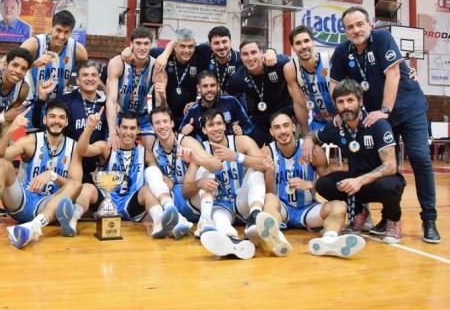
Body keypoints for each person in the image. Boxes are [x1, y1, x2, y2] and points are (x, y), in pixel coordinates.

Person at [330, 6, 440, 243]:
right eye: (350, 27)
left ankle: (429, 220)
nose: (356, 30)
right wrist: (339, 111)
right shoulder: (341, 51)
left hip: (408, 110)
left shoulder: (382, 38)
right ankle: (388, 217)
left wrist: (385, 110)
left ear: (370, 24)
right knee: (384, 166)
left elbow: (394, 74)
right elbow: (334, 84)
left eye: (360, 24)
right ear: (345, 31)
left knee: (420, 159)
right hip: (377, 116)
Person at [0, 101, 83, 248]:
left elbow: (76, 186)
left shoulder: (74, 147)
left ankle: (33, 227)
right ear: (45, 120)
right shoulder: (30, 141)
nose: (57, 121)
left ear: (67, 122)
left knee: (76, 184)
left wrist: (52, 176)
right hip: (21, 200)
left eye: (61, 117)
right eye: (52, 116)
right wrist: (11, 130)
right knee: (2, 163)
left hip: (47, 205)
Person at [303, 79, 406, 244]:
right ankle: (359, 212)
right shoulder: (336, 126)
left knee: (390, 186)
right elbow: (313, 135)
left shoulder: (377, 124)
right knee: (324, 184)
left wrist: (359, 181)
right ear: (335, 105)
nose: (346, 106)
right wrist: (308, 140)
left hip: (379, 180)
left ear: (360, 101)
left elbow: (391, 166)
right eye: (341, 102)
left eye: (350, 100)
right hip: (355, 182)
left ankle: (393, 219)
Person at [262, 112, 365, 258]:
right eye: (277, 127)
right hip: (282, 209)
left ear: (293, 127)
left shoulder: (313, 150)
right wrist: (269, 172)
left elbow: (329, 182)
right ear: (271, 132)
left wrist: (310, 184)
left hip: (307, 209)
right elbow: (267, 192)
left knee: (340, 206)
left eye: (286, 125)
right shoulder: (267, 153)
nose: (283, 131)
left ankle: (329, 240)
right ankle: (276, 238)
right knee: (269, 198)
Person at [191, 108, 286, 259]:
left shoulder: (241, 141)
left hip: (242, 202)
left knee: (255, 172)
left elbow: (265, 165)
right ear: (203, 129)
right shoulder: (201, 149)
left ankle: (255, 216)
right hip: (220, 205)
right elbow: (186, 189)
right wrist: (198, 183)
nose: (216, 128)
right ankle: (234, 241)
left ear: (225, 126)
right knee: (220, 220)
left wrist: (236, 156)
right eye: (211, 125)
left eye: (219, 123)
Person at [72, 111, 180, 238]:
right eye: (125, 127)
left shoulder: (146, 153)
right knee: (87, 187)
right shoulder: (107, 147)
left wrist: (167, 180)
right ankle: (72, 218)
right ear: (117, 128)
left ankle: (158, 222)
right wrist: (90, 127)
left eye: (132, 128)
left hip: (132, 204)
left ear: (138, 130)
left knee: (148, 190)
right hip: (105, 202)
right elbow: (81, 150)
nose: (128, 132)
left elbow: (156, 178)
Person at [147, 106, 223, 238]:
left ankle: (205, 220)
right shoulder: (153, 148)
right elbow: (159, 180)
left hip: (192, 198)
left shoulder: (187, 142)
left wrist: (196, 159)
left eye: (165, 121)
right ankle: (176, 218)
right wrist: (165, 179)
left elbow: (217, 166)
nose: (162, 126)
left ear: (172, 123)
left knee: (206, 170)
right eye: (157, 123)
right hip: (172, 199)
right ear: (152, 127)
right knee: (150, 171)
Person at [32, 61, 108, 183]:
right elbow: (38, 123)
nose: (90, 78)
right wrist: (41, 99)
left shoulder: (107, 104)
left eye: (94, 75)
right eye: (85, 75)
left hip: (94, 169)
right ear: (77, 80)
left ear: (98, 79)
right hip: (65, 166)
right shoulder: (65, 100)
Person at [226, 40, 307, 147]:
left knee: (284, 141)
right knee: (254, 143)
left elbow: (299, 71)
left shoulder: (279, 63)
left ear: (261, 53)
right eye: (245, 54)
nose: (250, 58)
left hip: (284, 110)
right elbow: (227, 99)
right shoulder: (238, 78)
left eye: (253, 52)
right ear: (241, 57)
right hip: (261, 117)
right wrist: (238, 121)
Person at [123, 28, 205, 128]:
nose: (187, 50)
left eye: (190, 46)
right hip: (163, 116)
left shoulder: (200, 57)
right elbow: (139, 52)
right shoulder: (159, 54)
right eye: (182, 46)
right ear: (175, 46)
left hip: (187, 117)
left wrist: (197, 103)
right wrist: (129, 50)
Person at [17, 10, 88, 106]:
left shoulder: (79, 51)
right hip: (31, 102)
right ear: (51, 28)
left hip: (58, 105)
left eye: (66, 32)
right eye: (58, 30)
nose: (61, 36)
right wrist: (34, 64)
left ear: (71, 32)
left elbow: (86, 75)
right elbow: (9, 67)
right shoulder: (34, 44)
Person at [106, 27, 156, 149]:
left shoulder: (155, 65)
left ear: (151, 45)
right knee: (112, 146)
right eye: (138, 43)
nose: (142, 47)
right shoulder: (117, 63)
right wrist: (112, 131)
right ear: (131, 44)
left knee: (152, 147)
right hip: (121, 113)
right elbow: (111, 100)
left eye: (146, 43)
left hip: (142, 115)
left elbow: (160, 103)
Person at [284, 26, 336, 132]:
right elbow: (298, 105)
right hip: (318, 122)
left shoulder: (331, 58)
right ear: (293, 47)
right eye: (298, 43)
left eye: (306, 41)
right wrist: (306, 132)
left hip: (341, 118)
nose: (303, 46)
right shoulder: (290, 68)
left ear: (313, 42)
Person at [179, 70, 253, 141]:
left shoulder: (231, 102)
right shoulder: (192, 110)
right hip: (203, 148)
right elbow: (180, 133)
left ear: (218, 86)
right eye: (205, 86)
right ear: (198, 88)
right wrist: (183, 131)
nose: (209, 89)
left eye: (212, 85)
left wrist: (242, 130)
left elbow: (249, 126)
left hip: (231, 146)